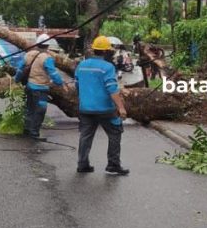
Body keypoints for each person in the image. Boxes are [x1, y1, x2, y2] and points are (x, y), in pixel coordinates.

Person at [74, 35, 129, 176]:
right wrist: (121, 108)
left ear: (94, 50)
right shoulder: (107, 67)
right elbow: (112, 88)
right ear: (106, 51)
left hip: (85, 108)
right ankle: (113, 165)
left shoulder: (81, 65)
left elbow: (77, 85)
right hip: (105, 109)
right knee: (115, 133)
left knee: (85, 136)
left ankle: (82, 164)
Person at [14, 33, 68, 141]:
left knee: (30, 109)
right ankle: (34, 133)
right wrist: (61, 84)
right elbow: (53, 73)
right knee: (40, 111)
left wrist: (16, 80)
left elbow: (20, 69)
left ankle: (27, 130)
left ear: (37, 44)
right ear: (48, 46)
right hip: (40, 89)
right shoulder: (47, 58)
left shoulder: (28, 54)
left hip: (29, 87)